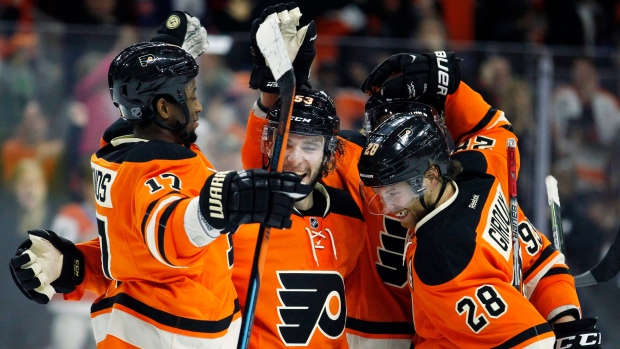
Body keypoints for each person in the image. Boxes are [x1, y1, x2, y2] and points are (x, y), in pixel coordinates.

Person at [9, 24, 311, 349]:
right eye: (191, 95)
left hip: (169, 327)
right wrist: (216, 206)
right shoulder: (155, 167)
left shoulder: (129, 150)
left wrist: (80, 263)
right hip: (169, 334)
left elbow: (135, 254)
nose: (198, 106)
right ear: (164, 108)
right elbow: (168, 227)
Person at [356, 52, 602, 348]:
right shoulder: (480, 168)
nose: (385, 205)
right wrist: (449, 88)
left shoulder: (444, 259)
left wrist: (563, 333)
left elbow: (531, 343)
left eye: (393, 191)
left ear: (430, 174)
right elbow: (541, 265)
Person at [242, 4, 417, 347]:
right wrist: (276, 92)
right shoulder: (349, 156)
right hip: (352, 328)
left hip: (418, 330)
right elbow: (269, 163)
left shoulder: (447, 185)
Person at [233, 88, 367, 347]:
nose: (295, 158)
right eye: (287, 143)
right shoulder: (240, 216)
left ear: (328, 153)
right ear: (270, 145)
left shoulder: (349, 214)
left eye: (309, 146)